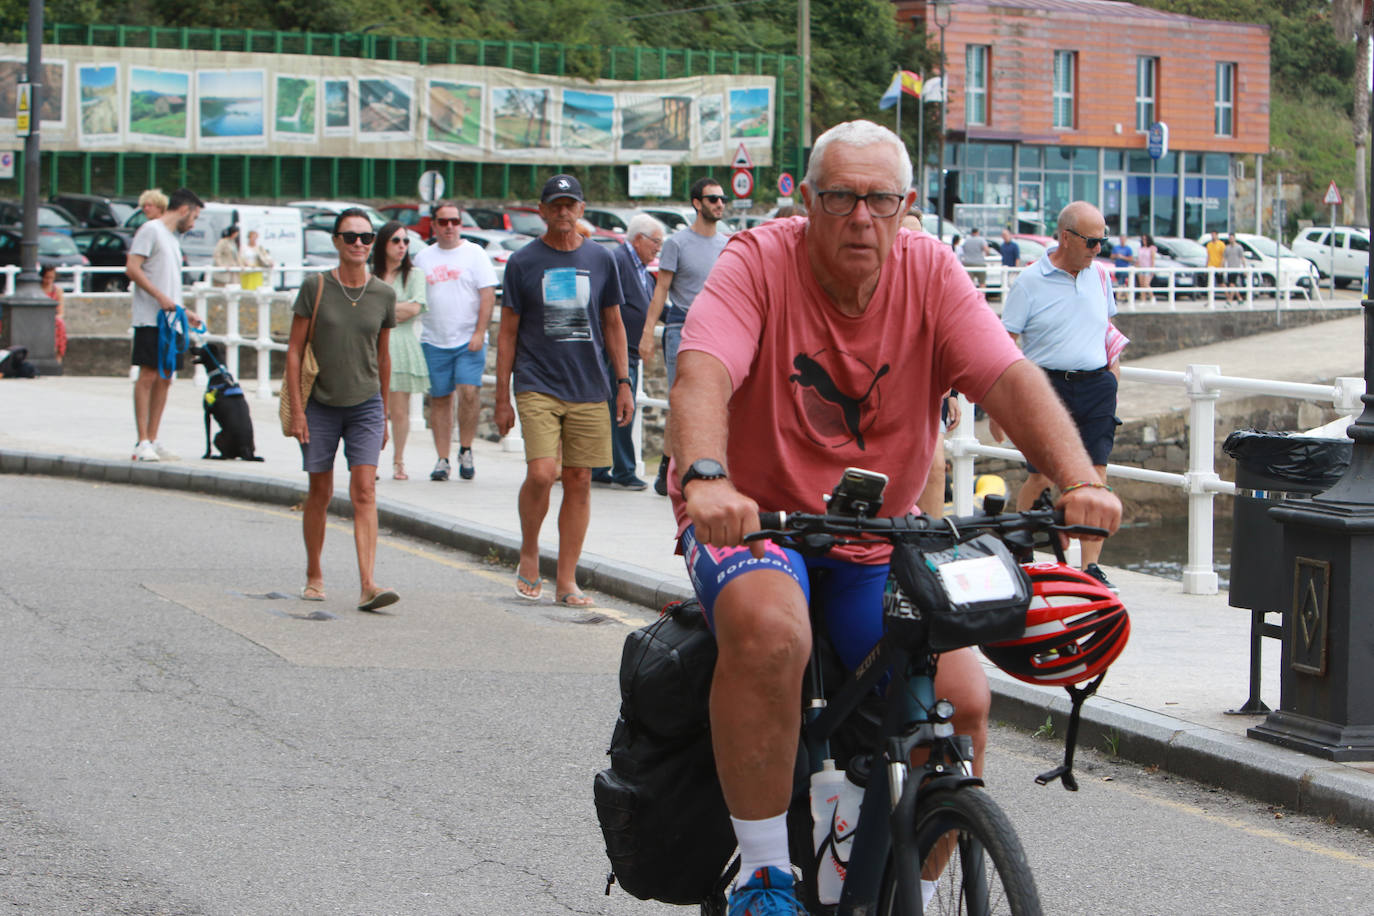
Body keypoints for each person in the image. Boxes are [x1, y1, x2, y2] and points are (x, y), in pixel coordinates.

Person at [669, 121, 1121, 915]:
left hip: (876, 535)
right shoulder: (759, 262)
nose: (860, 218)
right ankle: (765, 877)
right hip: (757, 522)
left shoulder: (930, 272)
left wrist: (1078, 478)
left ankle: (915, 880)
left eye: (879, 199)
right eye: (840, 197)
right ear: (808, 200)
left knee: (964, 706)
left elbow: (1007, 379)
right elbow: (703, 367)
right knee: (774, 632)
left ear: (906, 207)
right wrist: (706, 477)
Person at [494, 173, 634, 607]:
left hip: (590, 384)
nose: (562, 212)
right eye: (554, 204)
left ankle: (567, 580)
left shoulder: (601, 259)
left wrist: (624, 382)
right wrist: (502, 396)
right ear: (541, 211)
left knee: (579, 480)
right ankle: (530, 549)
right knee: (541, 472)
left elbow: (613, 323)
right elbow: (507, 333)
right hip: (537, 381)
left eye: (569, 204)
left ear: (581, 210)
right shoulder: (523, 262)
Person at [996, 200, 1123, 591]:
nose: (1097, 250)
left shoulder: (1101, 277)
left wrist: (1113, 380)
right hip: (1046, 386)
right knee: (1042, 475)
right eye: (1091, 242)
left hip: (1097, 386)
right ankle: (1023, 552)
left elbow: (1108, 331)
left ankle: (1089, 569)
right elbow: (1005, 343)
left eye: (1103, 242)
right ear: (1065, 237)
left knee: (1095, 477)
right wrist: (999, 408)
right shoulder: (1030, 282)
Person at [285, 209, 399, 612]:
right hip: (320, 403)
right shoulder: (314, 287)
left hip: (366, 403)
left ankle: (368, 584)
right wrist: (298, 411)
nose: (358, 244)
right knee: (320, 490)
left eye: (366, 238)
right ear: (336, 241)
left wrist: (384, 411)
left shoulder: (384, 294)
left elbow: (383, 358)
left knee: (365, 489)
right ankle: (314, 574)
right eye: (350, 237)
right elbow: (295, 350)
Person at [639, 177, 729, 496]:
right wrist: (648, 333)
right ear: (697, 203)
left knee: (718, 401)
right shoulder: (678, 243)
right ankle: (669, 467)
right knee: (682, 401)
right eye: (713, 199)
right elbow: (661, 289)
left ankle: (708, 467)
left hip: (717, 330)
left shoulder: (727, 244)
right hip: (681, 328)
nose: (720, 204)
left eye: (722, 199)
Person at [415, 200, 497, 482]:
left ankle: (466, 448)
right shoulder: (423, 257)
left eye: (454, 221)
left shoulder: (474, 254)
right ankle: (442, 458)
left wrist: (479, 332)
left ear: (461, 224)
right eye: (443, 222)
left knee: (469, 391)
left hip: (468, 339)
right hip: (435, 339)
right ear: (434, 225)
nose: (449, 227)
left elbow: (487, 295)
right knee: (439, 398)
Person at [125, 187, 206, 463]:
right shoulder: (151, 230)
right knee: (148, 375)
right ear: (185, 210)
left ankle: (154, 438)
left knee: (165, 378)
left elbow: (167, 282)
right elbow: (132, 268)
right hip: (150, 318)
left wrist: (186, 312)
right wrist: (159, 297)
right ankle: (142, 441)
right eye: (194, 217)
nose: (193, 224)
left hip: (172, 321)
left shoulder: (170, 239)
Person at [593, 213, 665, 491]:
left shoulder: (640, 270)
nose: (658, 247)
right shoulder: (620, 261)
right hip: (616, 352)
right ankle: (623, 470)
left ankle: (600, 467)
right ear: (638, 239)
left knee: (615, 409)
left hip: (628, 352)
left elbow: (651, 308)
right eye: (655, 242)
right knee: (623, 410)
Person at [372, 219, 428, 480]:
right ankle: (369, 460)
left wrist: (382, 310)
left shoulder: (414, 275)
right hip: (373, 344)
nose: (402, 246)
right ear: (384, 243)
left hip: (403, 344)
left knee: (400, 409)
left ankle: (399, 460)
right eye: (396, 240)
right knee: (373, 407)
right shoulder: (371, 274)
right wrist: (398, 308)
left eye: (406, 241)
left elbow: (415, 308)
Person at [40, 264, 67, 361]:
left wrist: (56, 318)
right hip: (39, 318)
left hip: (53, 319)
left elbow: (60, 311)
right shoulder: (37, 289)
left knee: (60, 324)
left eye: (52, 278)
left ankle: (58, 357)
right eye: (47, 277)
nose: (49, 280)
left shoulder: (58, 291)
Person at [1223, 232, 1247, 302]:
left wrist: (1244, 268)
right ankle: (1239, 298)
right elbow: (1224, 258)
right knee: (1232, 284)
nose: (1231, 239)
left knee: (1232, 284)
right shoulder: (1227, 248)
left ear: (1234, 238)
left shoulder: (1239, 248)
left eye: (1232, 238)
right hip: (1229, 268)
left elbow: (1242, 258)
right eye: (1230, 238)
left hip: (1236, 268)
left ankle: (1230, 299)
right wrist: (1222, 266)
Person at [1111, 233, 1135, 301]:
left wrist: (1122, 257)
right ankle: (1127, 297)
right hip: (1117, 268)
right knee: (1122, 283)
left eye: (1123, 239)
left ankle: (1118, 297)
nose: (1122, 240)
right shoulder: (1116, 248)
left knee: (1121, 282)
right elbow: (1111, 257)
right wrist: (1116, 256)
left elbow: (1131, 259)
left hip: (1125, 268)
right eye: (1121, 239)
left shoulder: (1128, 249)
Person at [1136, 233, 1158, 302]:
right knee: (1142, 285)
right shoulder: (1140, 248)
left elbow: (1152, 259)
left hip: (1148, 268)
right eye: (1143, 239)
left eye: (1145, 239)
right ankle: (1143, 299)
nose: (1144, 240)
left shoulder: (1152, 248)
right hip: (1141, 268)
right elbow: (1139, 259)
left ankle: (1152, 297)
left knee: (1146, 284)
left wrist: (1152, 269)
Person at [1205, 229, 1226, 298]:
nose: (1213, 236)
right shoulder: (1209, 244)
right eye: (1212, 235)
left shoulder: (1221, 244)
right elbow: (1208, 256)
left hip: (1218, 266)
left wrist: (1221, 267)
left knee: (1221, 283)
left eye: (1214, 235)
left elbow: (1223, 257)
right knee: (1210, 283)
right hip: (1210, 266)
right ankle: (1210, 299)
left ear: (1217, 235)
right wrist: (1206, 266)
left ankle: (1228, 297)